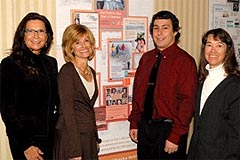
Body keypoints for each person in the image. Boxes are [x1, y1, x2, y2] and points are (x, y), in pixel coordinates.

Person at [128, 10, 197, 159]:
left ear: (176, 32)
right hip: (145, 128)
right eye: (156, 28)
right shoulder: (146, 59)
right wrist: (134, 122)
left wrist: (175, 135)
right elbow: (138, 94)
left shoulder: (185, 62)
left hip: (169, 130)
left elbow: (187, 102)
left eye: (165, 28)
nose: (159, 33)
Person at [0, 12, 59, 159]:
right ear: (22, 35)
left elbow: (54, 102)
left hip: (50, 138)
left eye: (41, 31)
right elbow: (7, 109)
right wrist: (26, 145)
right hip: (25, 141)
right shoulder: (10, 64)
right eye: (30, 31)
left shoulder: (51, 63)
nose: (36, 36)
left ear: (47, 37)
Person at [187, 28, 240, 159]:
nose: (213, 51)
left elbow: (236, 135)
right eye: (209, 45)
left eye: (219, 46)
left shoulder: (235, 86)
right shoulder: (201, 80)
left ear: (228, 50)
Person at [53, 24, 101, 160]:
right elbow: (67, 112)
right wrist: (75, 150)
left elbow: (89, 109)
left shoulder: (91, 71)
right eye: (77, 42)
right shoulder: (67, 71)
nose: (83, 46)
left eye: (86, 40)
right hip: (71, 139)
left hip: (88, 137)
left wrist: (95, 138)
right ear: (70, 47)